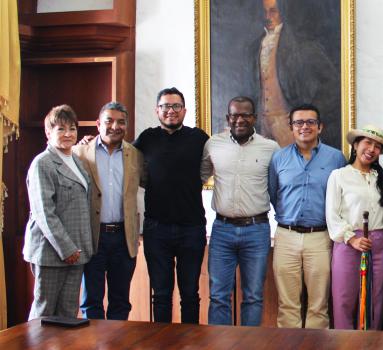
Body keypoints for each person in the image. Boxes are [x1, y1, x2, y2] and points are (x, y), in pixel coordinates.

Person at [133, 87, 210, 324]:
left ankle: (190, 342)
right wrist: (88, 141)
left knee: (190, 295)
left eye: (176, 106)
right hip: (157, 229)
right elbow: (128, 163)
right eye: (165, 106)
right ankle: (162, 343)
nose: (171, 111)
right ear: (157, 110)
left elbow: (208, 169)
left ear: (184, 111)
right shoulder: (146, 138)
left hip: (191, 228)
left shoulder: (199, 138)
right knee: (161, 295)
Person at [200, 96, 279, 326]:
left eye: (246, 115)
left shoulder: (270, 148)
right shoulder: (213, 144)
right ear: (228, 118)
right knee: (218, 297)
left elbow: (278, 185)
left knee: (253, 297)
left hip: (256, 230)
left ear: (254, 117)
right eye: (235, 115)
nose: (240, 119)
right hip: (222, 229)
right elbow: (199, 176)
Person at [268, 103, 346, 328]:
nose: (304, 127)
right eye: (298, 122)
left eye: (310, 122)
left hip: (320, 238)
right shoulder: (279, 159)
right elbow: (274, 194)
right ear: (291, 127)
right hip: (286, 236)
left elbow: (341, 197)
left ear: (319, 127)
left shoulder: (336, 158)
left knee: (318, 305)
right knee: (288, 305)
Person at [73, 102, 144, 320]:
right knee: (91, 300)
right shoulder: (79, 152)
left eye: (121, 122)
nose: (115, 126)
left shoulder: (135, 154)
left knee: (121, 301)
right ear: (97, 124)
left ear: (127, 125)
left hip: (124, 237)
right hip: (93, 236)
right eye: (109, 121)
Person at [23, 105, 93, 320]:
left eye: (72, 129)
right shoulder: (42, 164)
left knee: (68, 314)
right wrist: (67, 248)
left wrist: (78, 249)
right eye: (61, 129)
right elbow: (44, 213)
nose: (68, 134)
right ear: (48, 132)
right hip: (52, 253)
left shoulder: (78, 162)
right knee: (44, 313)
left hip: (77, 252)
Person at [326, 124, 383, 330]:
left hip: (378, 244)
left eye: (377, 146)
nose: (372, 149)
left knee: (375, 299)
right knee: (345, 298)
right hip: (348, 243)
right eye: (367, 143)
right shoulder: (339, 175)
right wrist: (352, 239)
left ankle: (372, 343)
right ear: (356, 145)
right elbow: (332, 215)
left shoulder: (381, 178)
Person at [248, 0, 340, 147]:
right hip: (262, 130)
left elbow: (331, 84)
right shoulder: (255, 47)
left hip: (289, 129)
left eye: (273, 11)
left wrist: (307, 117)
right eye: (264, 12)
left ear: (282, 12)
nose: (267, 16)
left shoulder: (301, 45)